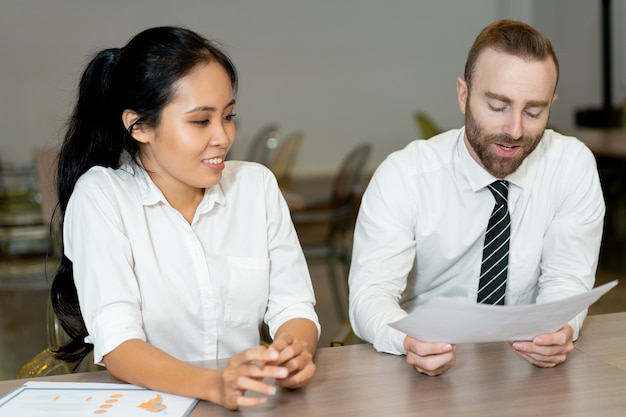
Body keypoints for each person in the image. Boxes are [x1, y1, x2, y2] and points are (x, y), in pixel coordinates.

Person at [51, 26, 320, 410]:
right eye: (200, 121)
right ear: (139, 125)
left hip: (242, 400)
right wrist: (215, 385)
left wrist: (293, 353)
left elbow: (293, 307)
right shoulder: (102, 197)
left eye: (228, 116)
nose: (224, 137)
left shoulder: (255, 186)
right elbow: (119, 346)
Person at [348, 19, 605, 377]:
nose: (515, 130)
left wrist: (560, 329)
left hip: (524, 369)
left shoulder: (571, 166)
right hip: (416, 367)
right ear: (463, 94)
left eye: (534, 111)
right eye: (498, 106)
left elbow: (566, 279)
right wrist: (408, 340)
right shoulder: (405, 176)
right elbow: (370, 295)